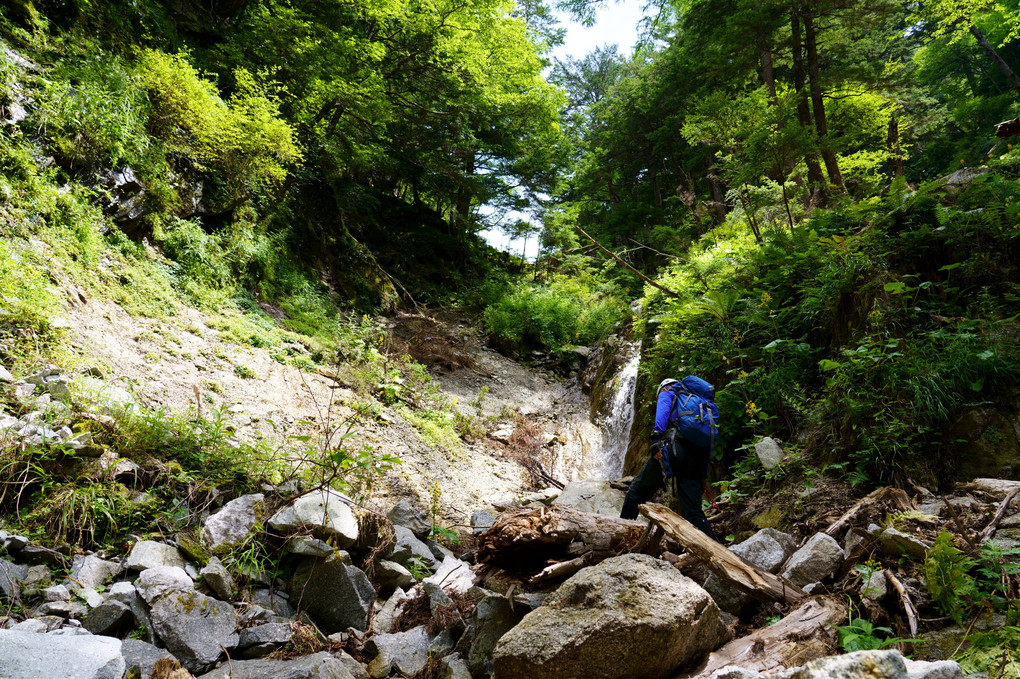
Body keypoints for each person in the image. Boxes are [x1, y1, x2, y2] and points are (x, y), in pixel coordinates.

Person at [620, 377, 716, 540]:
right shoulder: (700, 405)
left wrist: (655, 439)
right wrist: (702, 473)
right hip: (696, 458)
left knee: (636, 492)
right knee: (694, 511)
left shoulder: (668, 392)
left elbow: (663, 413)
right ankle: (716, 550)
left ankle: (620, 535)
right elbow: (709, 441)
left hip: (673, 451)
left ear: (664, 388)